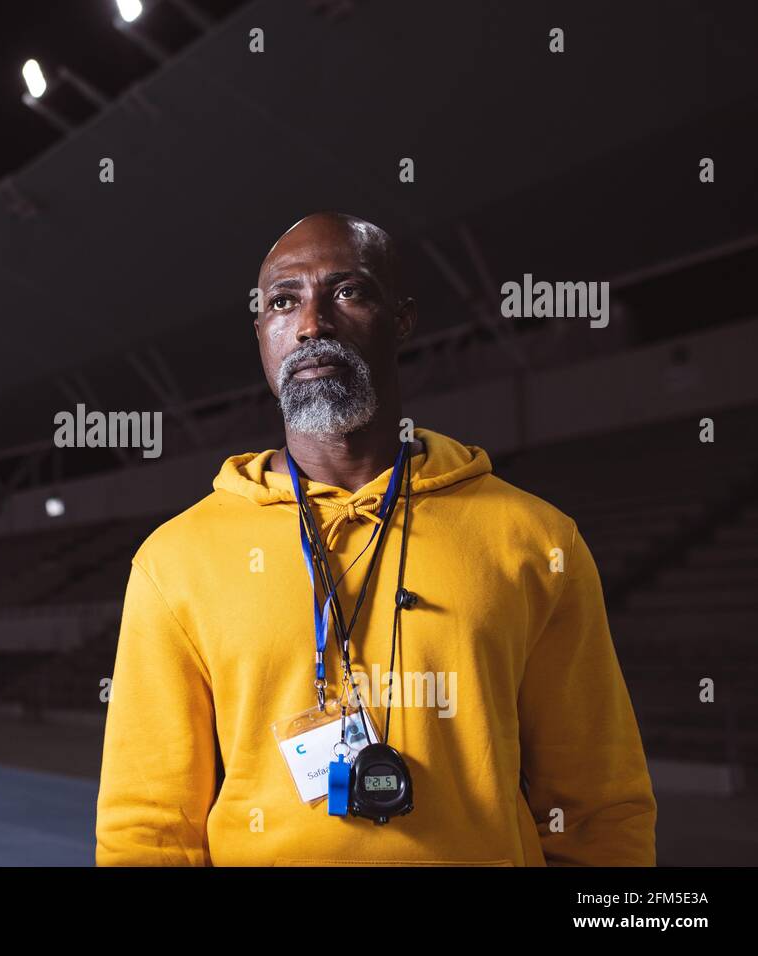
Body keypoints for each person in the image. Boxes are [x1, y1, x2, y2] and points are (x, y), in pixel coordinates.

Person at [94, 212, 656, 866]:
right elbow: (148, 825)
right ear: (261, 335)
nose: (312, 324)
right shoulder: (176, 559)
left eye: (348, 292)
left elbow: (600, 802)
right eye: (283, 302)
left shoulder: (535, 539)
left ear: (403, 318)